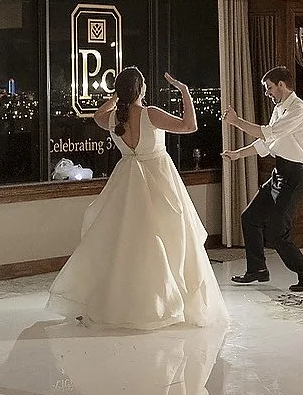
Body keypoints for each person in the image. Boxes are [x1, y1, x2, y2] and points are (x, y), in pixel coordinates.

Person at [48, 68, 229, 329]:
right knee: (169, 238)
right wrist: (185, 92)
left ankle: (124, 301)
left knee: (125, 242)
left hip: (127, 179)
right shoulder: (150, 113)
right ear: (140, 89)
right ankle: (165, 302)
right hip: (159, 178)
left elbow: (98, 114)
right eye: (143, 83)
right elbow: (190, 126)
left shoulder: (111, 119)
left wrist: (115, 97)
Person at [223, 66, 303, 292]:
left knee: (278, 232)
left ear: (281, 85)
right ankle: (257, 269)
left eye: (269, 88)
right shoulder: (279, 109)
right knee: (250, 218)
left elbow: (267, 133)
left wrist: (236, 121)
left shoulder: (298, 110)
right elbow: (268, 143)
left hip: (295, 176)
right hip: (279, 173)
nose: (267, 93)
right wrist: (238, 154)